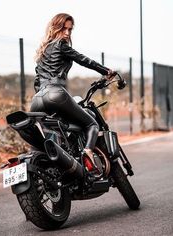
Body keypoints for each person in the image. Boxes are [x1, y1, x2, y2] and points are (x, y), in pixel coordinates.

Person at [31, 13, 114, 170]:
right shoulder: (61, 45)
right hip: (55, 94)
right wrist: (105, 71)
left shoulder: (42, 52)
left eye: (70, 30)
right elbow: (83, 59)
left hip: (37, 100)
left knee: (52, 133)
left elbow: (37, 81)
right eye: (64, 29)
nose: (67, 33)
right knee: (91, 123)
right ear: (55, 28)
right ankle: (87, 153)